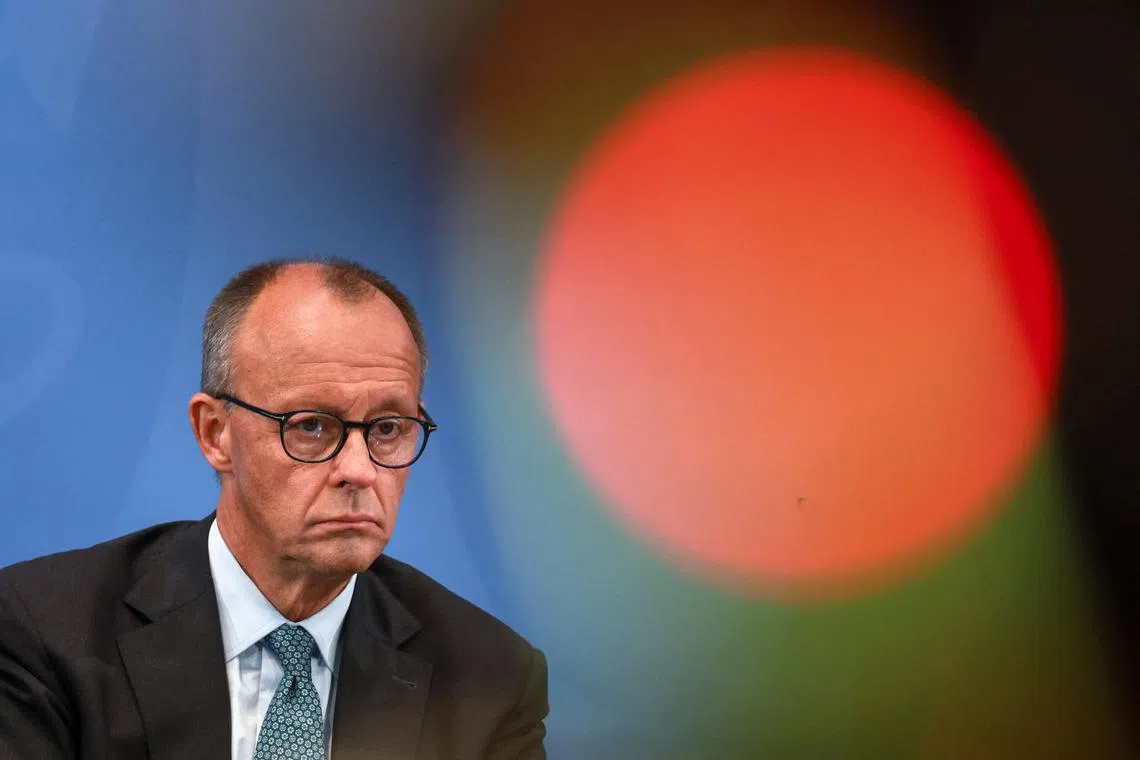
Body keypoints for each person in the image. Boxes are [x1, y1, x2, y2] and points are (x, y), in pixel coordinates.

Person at [0, 258, 548, 759]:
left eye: (387, 429)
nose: (359, 470)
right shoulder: (44, 634)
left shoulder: (490, 679)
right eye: (310, 426)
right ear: (215, 433)